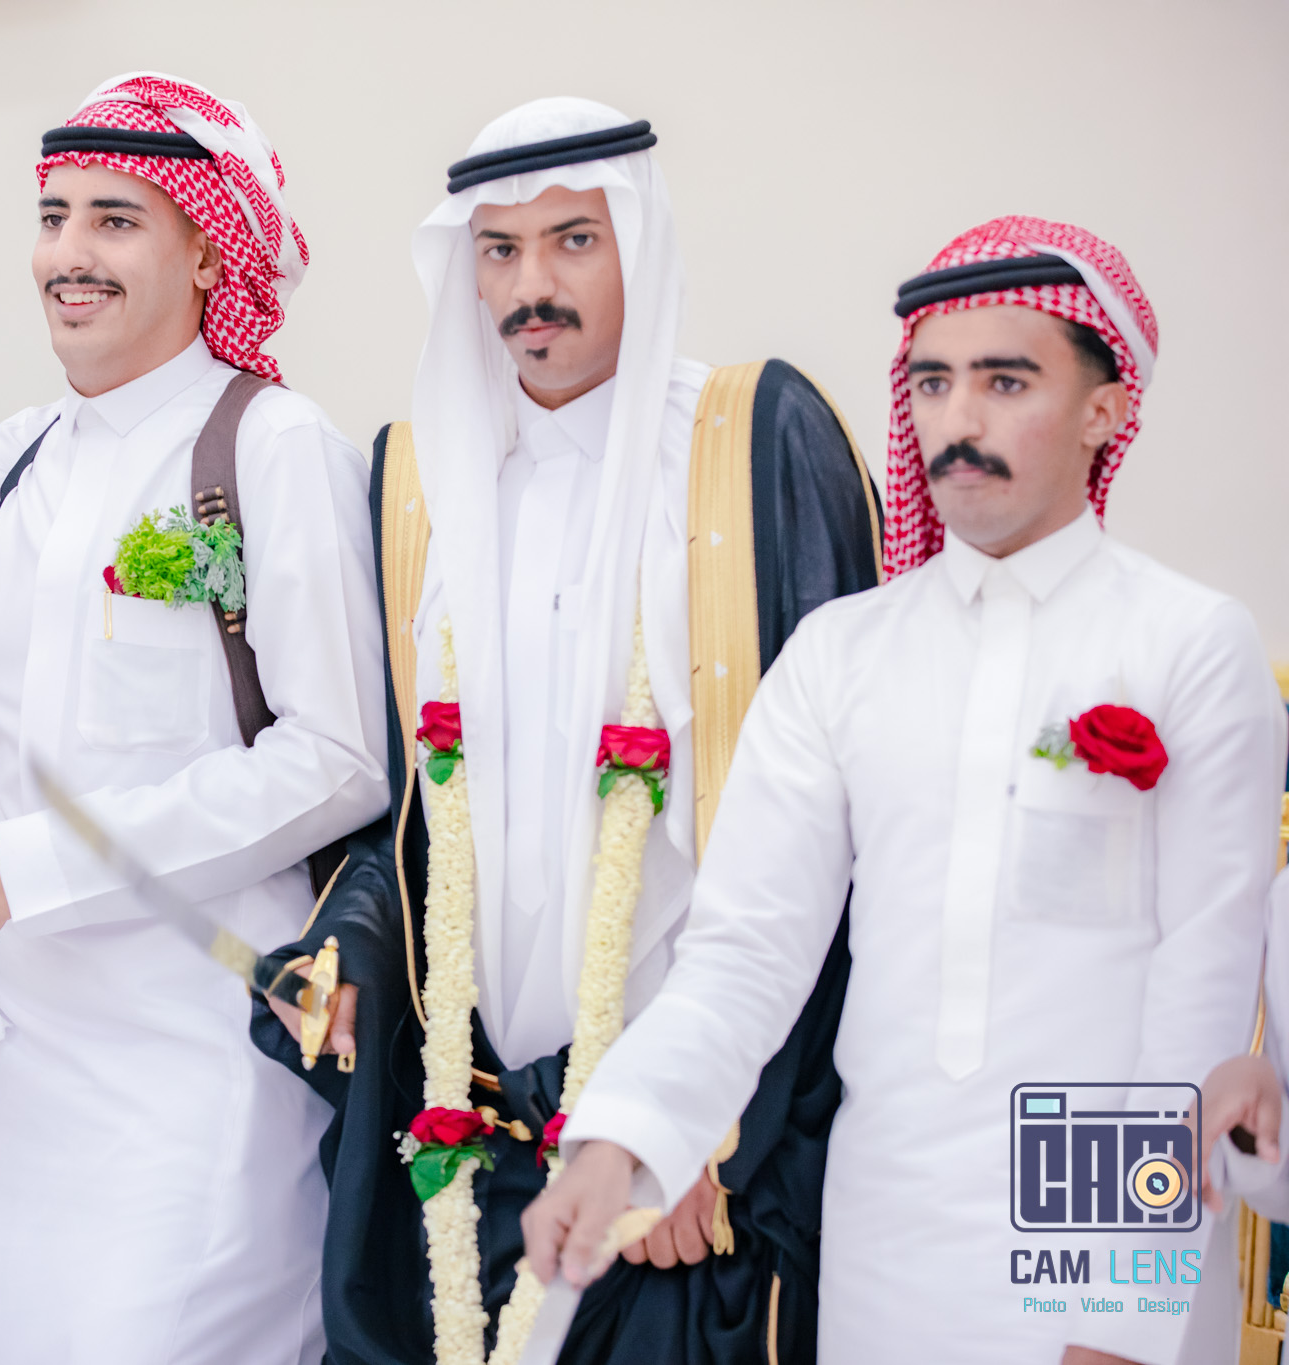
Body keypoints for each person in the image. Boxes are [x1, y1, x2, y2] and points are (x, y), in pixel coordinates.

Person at [527, 216, 1285, 1365]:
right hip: (886, 1236)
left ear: (1103, 409)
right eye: (932, 383)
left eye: (1003, 381)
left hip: (1099, 1237)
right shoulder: (840, 655)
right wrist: (616, 1142)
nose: (957, 421)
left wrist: (1115, 1321)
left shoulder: (1185, 641)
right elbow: (743, 955)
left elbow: (1196, 996)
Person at [250, 98, 883, 1363]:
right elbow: (408, 813)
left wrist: (702, 1133)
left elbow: (833, 834)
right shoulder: (417, 480)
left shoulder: (749, 443)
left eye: (572, 242)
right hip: (468, 1129)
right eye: (498, 250)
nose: (530, 287)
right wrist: (347, 948)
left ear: (638, 246)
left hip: (690, 1171)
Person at [0, 71, 388, 1363]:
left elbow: (338, 760)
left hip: (192, 1064)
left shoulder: (271, 444)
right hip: (15, 1066)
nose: (68, 254)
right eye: (53, 217)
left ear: (205, 253)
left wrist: (37, 861)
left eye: (114, 220)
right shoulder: (20, 454)